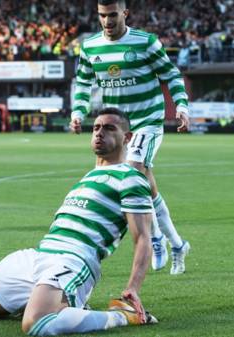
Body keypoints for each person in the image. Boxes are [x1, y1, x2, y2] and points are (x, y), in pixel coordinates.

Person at [0, 108, 158, 335]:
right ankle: (56, 302)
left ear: (127, 137)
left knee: (37, 325)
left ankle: (122, 316)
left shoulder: (130, 178)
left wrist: (132, 288)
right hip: (37, 255)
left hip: (73, 260)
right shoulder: (90, 175)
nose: (100, 133)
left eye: (110, 128)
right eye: (96, 127)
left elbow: (142, 238)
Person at [70, 0, 190, 274]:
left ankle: (157, 239)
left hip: (148, 120)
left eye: (113, 15)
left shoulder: (147, 42)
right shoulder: (90, 46)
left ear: (125, 13)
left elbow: (171, 76)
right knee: (145, 181)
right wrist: (78, 113)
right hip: (118, 126)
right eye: (102, 16)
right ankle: (175, 243)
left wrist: (181, 106)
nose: (108, 21)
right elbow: (84, 83)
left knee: (134, 169)